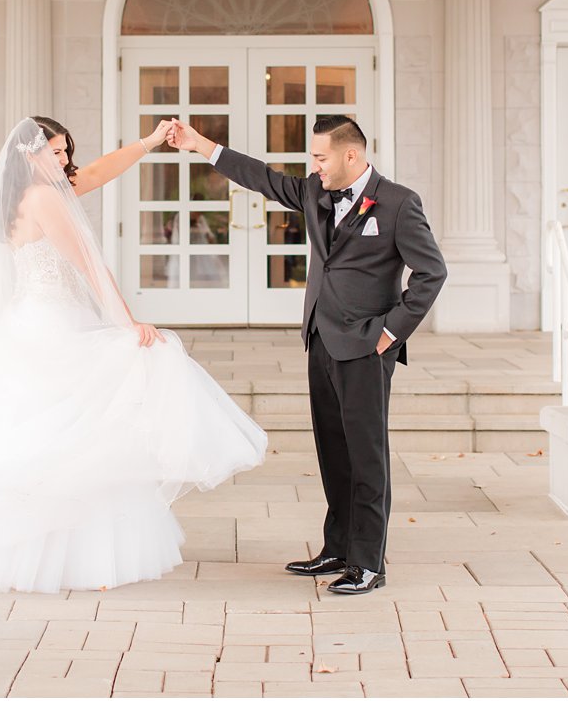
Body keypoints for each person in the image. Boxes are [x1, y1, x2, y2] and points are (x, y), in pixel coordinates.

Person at [0, 116, 267, 593]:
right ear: (29, 156)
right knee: (90, 415)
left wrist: (150, 141)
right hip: (50, 327)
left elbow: (95, 173)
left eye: (64, 151)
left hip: (29, 322)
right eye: (54, 152)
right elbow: (90, 265)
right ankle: (33, 546)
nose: (65, 160)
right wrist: (127, 321)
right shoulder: (45, 198)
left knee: (46, 437)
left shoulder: (24, 194)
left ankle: (43, 543)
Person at [168, 115, 445, 595]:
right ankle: (337, 547)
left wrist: (390, 334)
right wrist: (201, 146)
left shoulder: (400, 204)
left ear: (351, 156)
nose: (313, 166)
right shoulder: (317, 192)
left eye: (320, 157)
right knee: (333, 453)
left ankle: (368, 562)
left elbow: (431, 273)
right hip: (320, 340)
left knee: (367, 457)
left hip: (365, 347)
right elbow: (265, 179)